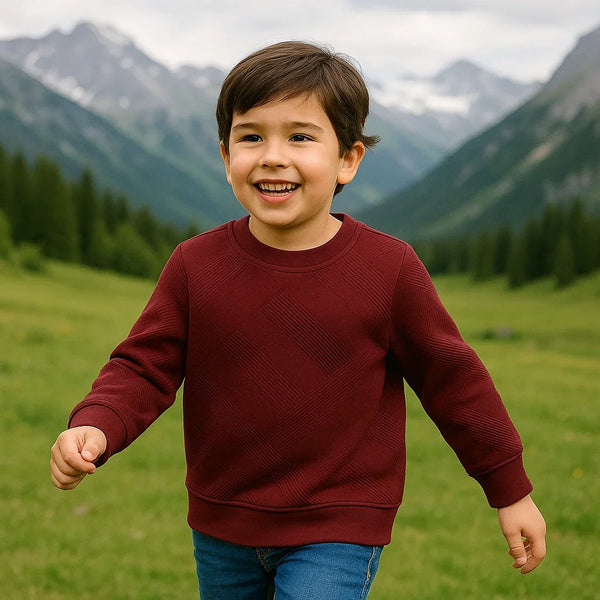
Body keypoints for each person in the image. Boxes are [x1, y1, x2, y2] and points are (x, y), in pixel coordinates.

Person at [50, 41, 546, 599]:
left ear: (348, 160)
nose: (272, 155)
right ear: (225, 156)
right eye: (251, 136)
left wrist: (509, 490)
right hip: (223, 523)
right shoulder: (195, 265)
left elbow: (452, 380)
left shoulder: (388, 269)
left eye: (301, 136)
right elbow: (144, 365)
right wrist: (96, 422)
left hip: (338, 524)